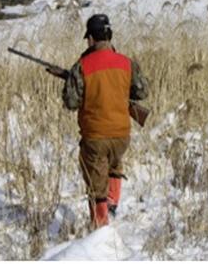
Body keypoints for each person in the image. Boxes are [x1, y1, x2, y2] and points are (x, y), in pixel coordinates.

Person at [60, 14, 149, 228]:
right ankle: (113, 206)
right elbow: (142, 92)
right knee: (114, 163)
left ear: (91, 38)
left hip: (95, 137)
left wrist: (69, 81)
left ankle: (100, 228)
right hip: (122, 135)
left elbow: (71, 102)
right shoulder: (127, 63)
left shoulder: (82, 65)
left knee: (95, 182)